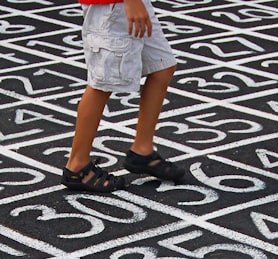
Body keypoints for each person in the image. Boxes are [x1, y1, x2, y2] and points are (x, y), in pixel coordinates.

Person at [62, 0, 188, 192]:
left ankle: (142, 150)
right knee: (102, 84)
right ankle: (76, 165)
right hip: (113, 7)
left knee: (162, 67)